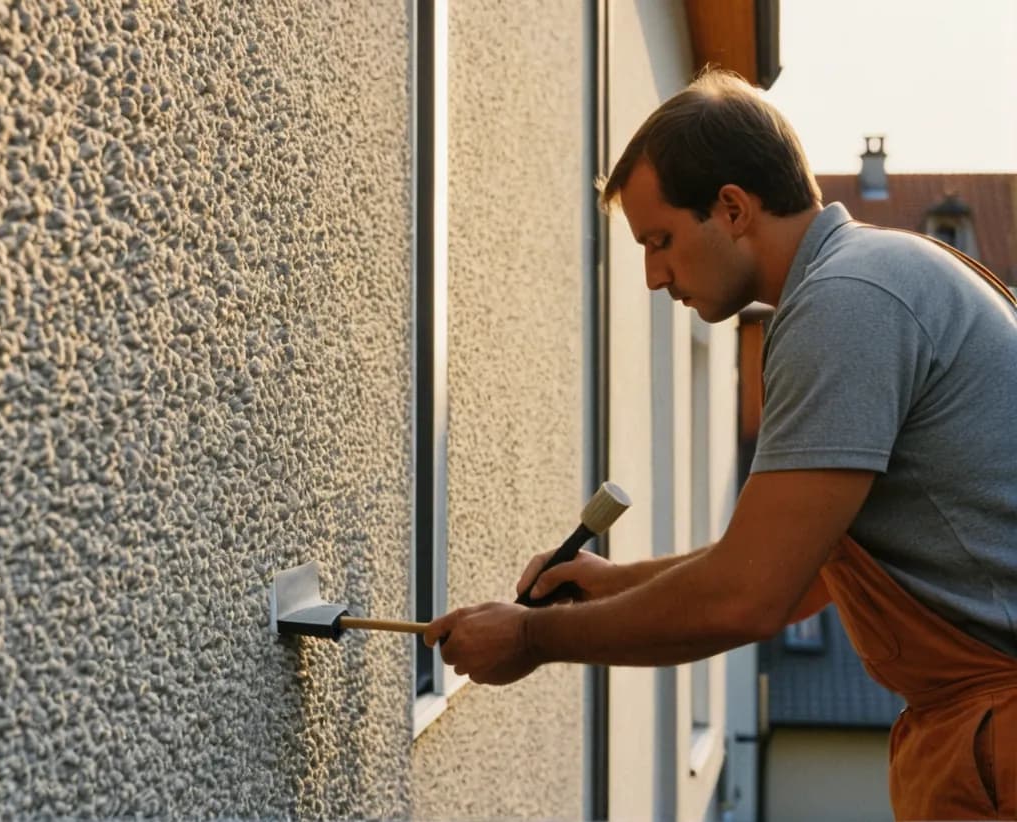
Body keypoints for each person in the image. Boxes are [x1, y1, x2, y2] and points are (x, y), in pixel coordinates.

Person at [423, 69, 1017, 820]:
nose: (651, 276)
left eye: (661, 240)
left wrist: (534, 638)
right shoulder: (878, 273)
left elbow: (748, 596)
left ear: (732, 208)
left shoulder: (845, 304)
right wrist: (620, 583)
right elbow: (810, 572)